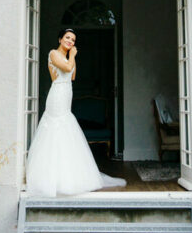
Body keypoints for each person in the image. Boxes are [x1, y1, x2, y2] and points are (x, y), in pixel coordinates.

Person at [25, 27, 126, 197]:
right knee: (56, 128)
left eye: (73, 40)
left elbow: (72, 76)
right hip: (57, 95)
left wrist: (71, 57)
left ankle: (68, 175)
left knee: (67, 130)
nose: (70, 41)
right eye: (67, 38)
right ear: (60, 39)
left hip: (66, 94)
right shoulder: (54, 54)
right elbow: (66, 68)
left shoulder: (66, 57)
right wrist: (72, 55)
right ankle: (51, 178)